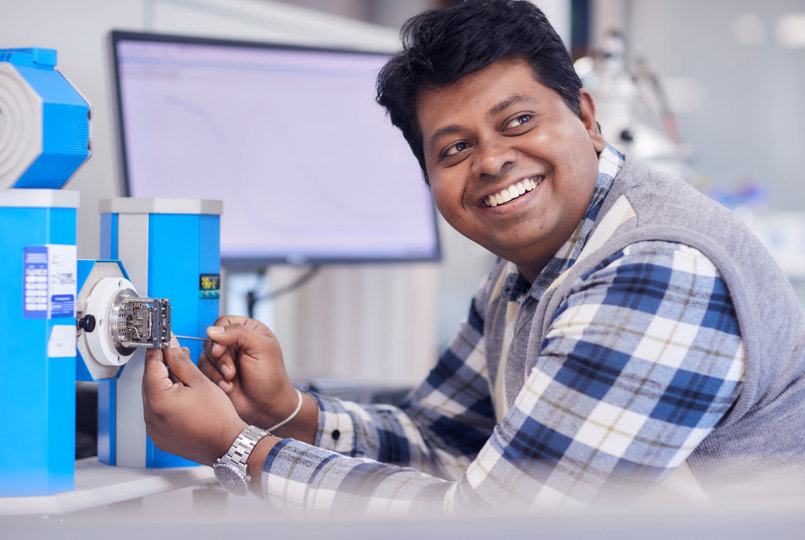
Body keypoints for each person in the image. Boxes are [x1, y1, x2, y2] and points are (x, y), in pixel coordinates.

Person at [142, 0, 805, 517]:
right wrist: (287, 409)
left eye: (517, 122)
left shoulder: (656, 268)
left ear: (586, 116)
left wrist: (235, 450)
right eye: (453, 149)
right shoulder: (533, 267)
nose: (490, 161)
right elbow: (442, 441)